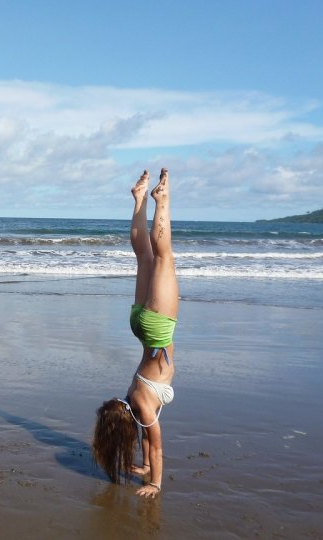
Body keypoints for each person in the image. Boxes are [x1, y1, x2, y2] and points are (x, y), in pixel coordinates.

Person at [92, 168, 178, 498]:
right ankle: (140, 200)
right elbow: (145, 438)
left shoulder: (141, 408)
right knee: (144, 256)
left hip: (156, 329)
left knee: (162, 257)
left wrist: (155, 482)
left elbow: (155, 446)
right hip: (140, 329)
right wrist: (143, 469)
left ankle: (161, 201)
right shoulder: (133, 403)